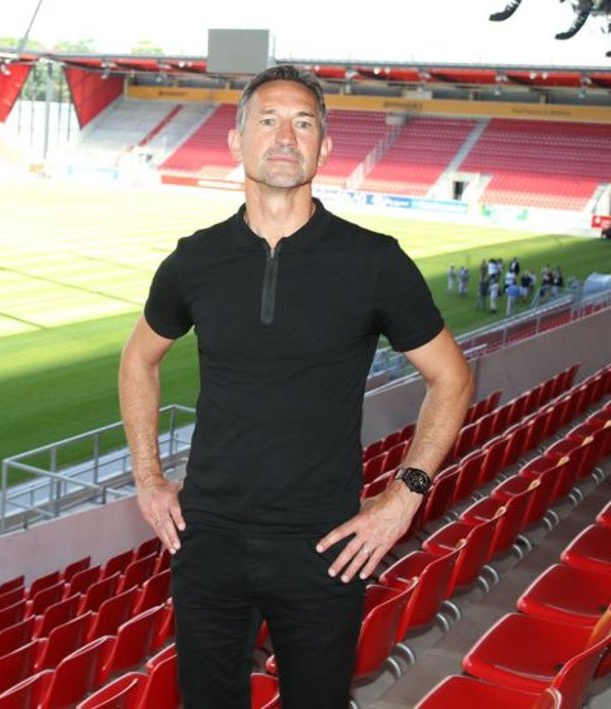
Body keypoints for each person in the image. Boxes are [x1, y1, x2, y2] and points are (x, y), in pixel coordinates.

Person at [118, 65, 472, 709]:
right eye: (269, 120)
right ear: (237, 141)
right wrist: (148, 476)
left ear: (324, 147)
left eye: (303, 123)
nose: (286, 136)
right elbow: (138, 360)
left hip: (325, 544)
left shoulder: (374, 261)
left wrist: (404, 497)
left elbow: (451, 376)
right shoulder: (195, 260)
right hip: (208, 536)